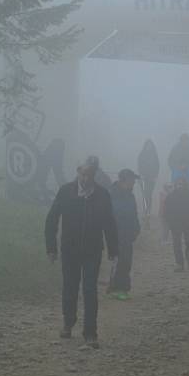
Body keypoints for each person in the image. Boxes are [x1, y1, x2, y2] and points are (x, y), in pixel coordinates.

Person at [45, 158, 119, 348]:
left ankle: (90, 332)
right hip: (70, 249)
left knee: (89, 289)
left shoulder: (102, 195)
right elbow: (52, 219)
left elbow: (109, 223)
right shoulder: (66, 191)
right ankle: (68, 323)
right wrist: (51, 247)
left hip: (92, 249)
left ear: (95, 175)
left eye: (89, 175)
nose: (85, 178)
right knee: (70, 287)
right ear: (78, 172)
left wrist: (113, 248)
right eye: (83, 174)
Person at [108, 169, 141, 300]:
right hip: (116, 233)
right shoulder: (112, 194)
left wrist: (136, 228)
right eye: (132, 180)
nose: (134, 183)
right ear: (124, 180)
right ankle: (115, 288)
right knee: (119, 261)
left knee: (127, 261)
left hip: (128, 234)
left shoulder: (130, 195)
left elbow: (134, 213)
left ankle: (123, 288)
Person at [162, 177, 189, 272]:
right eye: (178, 184)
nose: (180, 186)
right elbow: (166, 211)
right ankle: (179, 264)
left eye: (182, 184)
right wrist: (170, 222)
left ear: (185, 185)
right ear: (175, 185)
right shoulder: (171, 197)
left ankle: (188, 257)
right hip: (175, 224)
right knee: (176, 244)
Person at [137, 139, 160, 220]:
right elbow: (139, 166)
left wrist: (155, 176)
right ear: (145, 146)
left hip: (151, 178)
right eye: (148, 145)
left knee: (149, 195)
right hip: (143, 178)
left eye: (150, 145)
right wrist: (141, 175)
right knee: (145, 195)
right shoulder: (141, 155)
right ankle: (145, 211)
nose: (149, 147)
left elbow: (157, 166)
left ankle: (148, 211)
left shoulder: (154, 155)